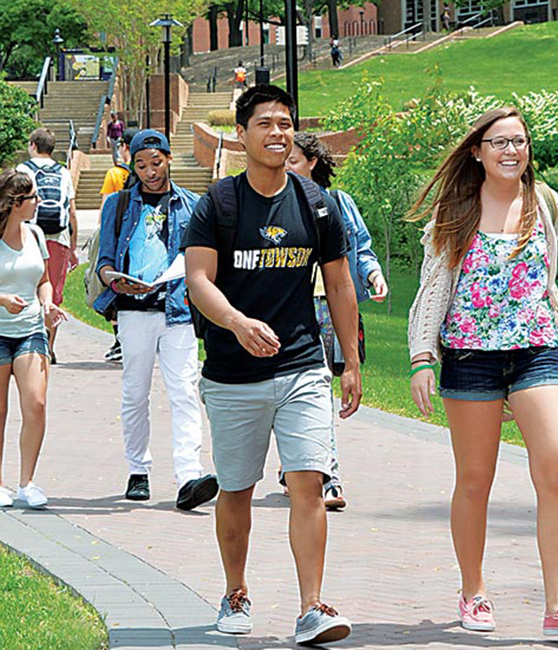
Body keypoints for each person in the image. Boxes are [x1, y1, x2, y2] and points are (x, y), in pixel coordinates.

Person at [406, 107, 558, 637]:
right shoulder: (456, 210)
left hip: (537, 349)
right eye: (499, 143)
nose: (511, 151)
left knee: (556, 471)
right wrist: (423, 356)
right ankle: (474, 592)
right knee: (475, 480)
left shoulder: (545, 204)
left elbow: (548, 278)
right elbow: (433, 288)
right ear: (478, 151)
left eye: (519, 141)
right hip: (471, 358)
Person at [183, 84, 361, 645]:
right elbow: (197, 281)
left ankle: (312, 606)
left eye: (285, 123)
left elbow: (338, 282)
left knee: (307, 483)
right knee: (236, 489)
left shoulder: (316, 203)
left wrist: (349, 359)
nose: (278, 133)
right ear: (242, 134)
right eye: (265, 123)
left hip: (302, 366)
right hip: (233, 374)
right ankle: (236, 592)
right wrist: (236, 322)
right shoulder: (219, 204)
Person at [94, 129, 219, 510]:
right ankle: (138, 470)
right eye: (141, 165)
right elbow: (104, 260)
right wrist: (111, 278)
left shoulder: (192, 204)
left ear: (168, 159)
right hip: (133, 311)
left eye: (156, 162)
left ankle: (189, 475)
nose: (150, 171)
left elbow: (203, 258)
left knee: (183, 391)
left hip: (177, 309)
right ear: (133, 166)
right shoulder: (117, 205)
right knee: (135, 392)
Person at [284, 132, 388, 510]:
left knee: (319, 391)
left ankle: (322, 475)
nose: (285, 168)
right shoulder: (276, 204)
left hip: (330, 309)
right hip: (289, 310)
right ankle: (308, 470)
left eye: (293, 160)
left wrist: (374, 275)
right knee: (299, 390)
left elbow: (360, 248)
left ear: (312, 162)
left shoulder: (339, 203)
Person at [0, 169, 66, 508]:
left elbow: (43, 281)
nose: (39, 202)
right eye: (33, 197)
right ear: (15, 202)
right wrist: (2, 300)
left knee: (36, 404)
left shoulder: (34, 234)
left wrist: (47, 304)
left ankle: (27, 482)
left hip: (30, 330)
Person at [16, 128, 77, 365]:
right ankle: (48, 346)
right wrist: (72, 248)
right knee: (53, 293)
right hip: (58, 239)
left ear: (32, 145)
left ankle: (29, 343)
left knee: (29, 290)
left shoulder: (23, 170)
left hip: (29, 236)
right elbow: (71, 212)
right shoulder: (63, 172)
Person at [97, 127, 138, 363]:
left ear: (125, 147)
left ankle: (120, 341)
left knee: (114, 288)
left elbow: (106, 207)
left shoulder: (115, 174)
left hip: (118, 238)